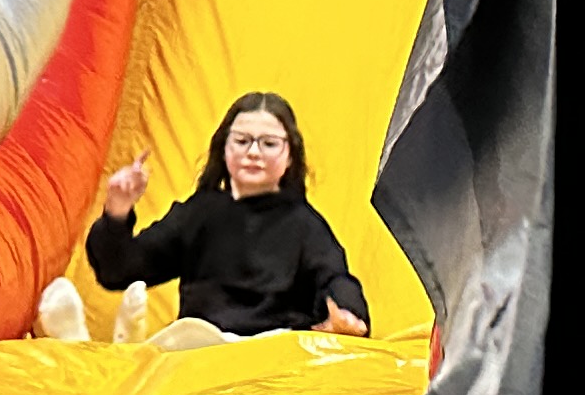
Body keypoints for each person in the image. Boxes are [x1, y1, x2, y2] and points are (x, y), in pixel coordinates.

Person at [83, 91, 374, 339]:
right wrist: (117, 212)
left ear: (290, 156)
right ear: (224, 149)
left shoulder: (305, 225)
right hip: (200, 352)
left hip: (271, 358)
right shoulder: (199, 214)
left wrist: (347, 314)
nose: (254, 152)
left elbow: (335, 279)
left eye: (269, 143)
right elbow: (118, 271)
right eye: (242, 141)